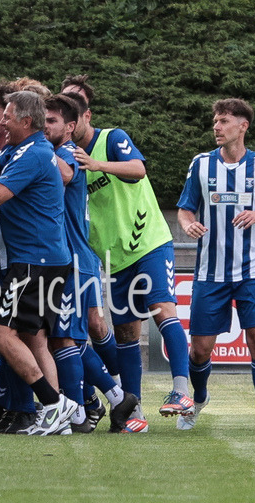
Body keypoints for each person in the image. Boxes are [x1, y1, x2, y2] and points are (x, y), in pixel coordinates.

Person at [61, 75, 192, 429]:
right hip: (114, 259)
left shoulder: (111, 138)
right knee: (126, 335)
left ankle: (181, 389)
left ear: (87, 115)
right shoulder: (65, 157)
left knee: (162, 309)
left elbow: (138, 170)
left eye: (76, 108)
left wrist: (98, 164)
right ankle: (132, 414)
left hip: (148, 242)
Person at [0, 90, 78, 435]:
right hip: (49, 258)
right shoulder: (22, 149)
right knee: (34, 338)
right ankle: (59, 420)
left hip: (34, 261)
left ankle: (54, 403)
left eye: (6, 116)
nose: (0, 120)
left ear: (25, 121)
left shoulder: (33, 154)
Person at [177, 99, 255, 432]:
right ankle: (198, 398)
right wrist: (187, 224)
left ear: (243, 126)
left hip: (252, 271)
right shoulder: (200, 164)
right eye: (215, 120)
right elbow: (185, 208)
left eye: (224, 121)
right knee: (200, 350)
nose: (216, 126)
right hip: (208, 273)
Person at [43, 94, 145, 434]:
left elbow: (69, 175)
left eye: (51, 121)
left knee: (70, 335)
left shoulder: (66, 154)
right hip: (68, 258)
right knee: (68, 335)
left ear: (71, 126)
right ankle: (114, 397)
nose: (44, 127)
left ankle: (81, 414)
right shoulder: (55, 150)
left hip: (72, 259)